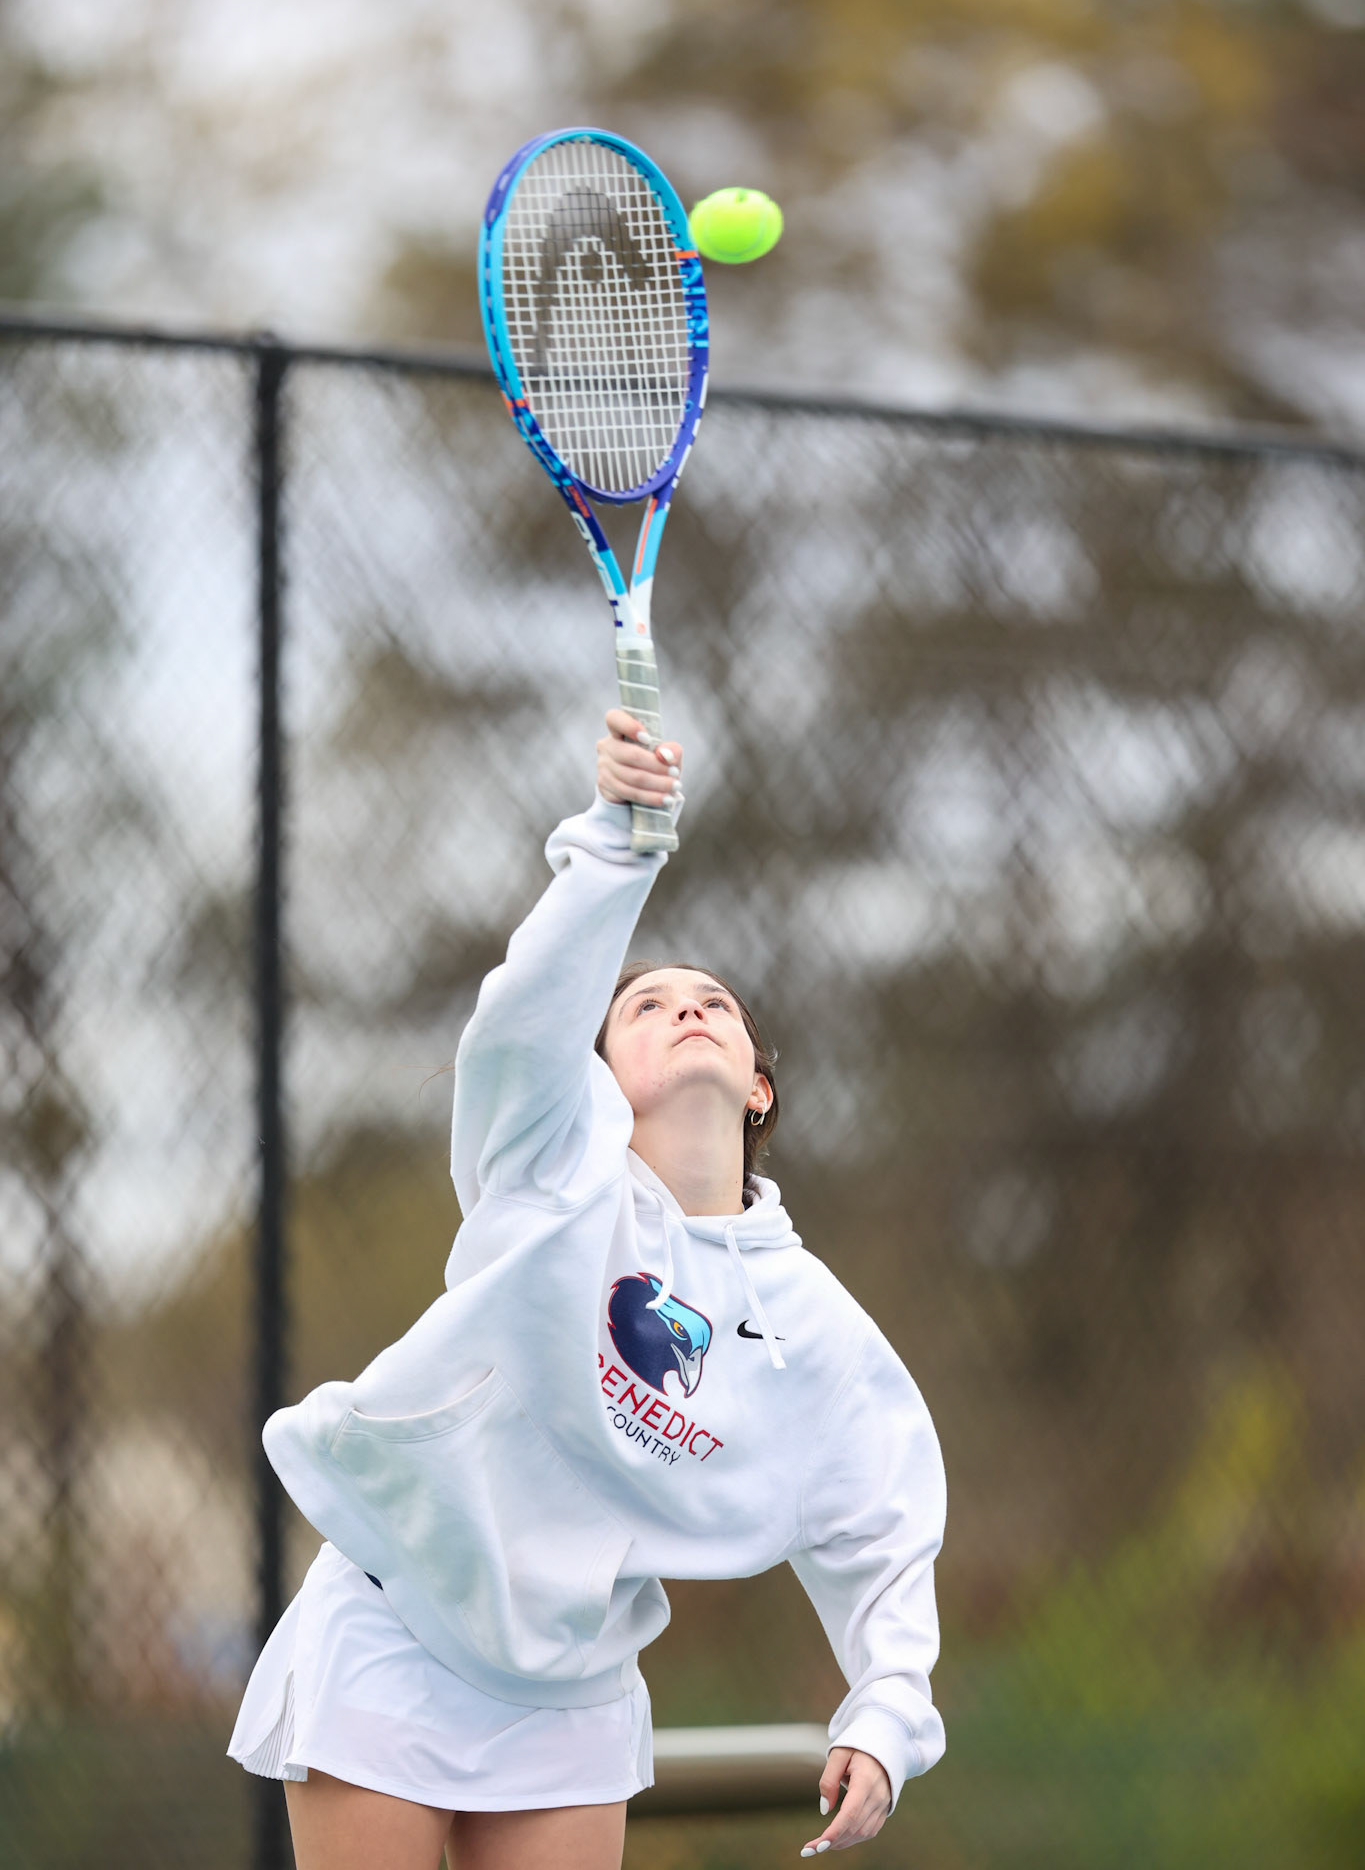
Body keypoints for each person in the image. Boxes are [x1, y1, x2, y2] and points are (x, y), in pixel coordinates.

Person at [227, 708, 947, 1870]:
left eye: (713, 1000)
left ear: (759, 1087)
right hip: (394, 1630)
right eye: (646, 1003)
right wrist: (621, 840)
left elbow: (883, 1521)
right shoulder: (546, 1168)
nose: (687, 1008)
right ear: (600, 1073)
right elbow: (524, 1021)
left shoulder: (809, 1317)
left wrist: (887, 1707)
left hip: (570, 1689)